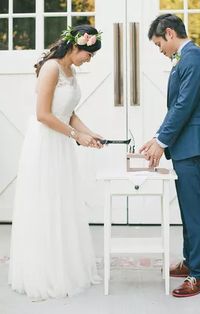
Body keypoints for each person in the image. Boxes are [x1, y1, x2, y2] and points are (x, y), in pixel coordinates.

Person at [8, 25, 103, 300]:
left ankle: (65, 268)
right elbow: (43, 115)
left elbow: (69, 112)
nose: (89, 59)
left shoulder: (70, 71)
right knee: (45, 204)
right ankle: (45, 273)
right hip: (44, 144)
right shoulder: (50, 68)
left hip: (60, 144)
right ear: (75, 47)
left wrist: (89, 132)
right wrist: (77, 136)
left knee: (62, 202)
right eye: (89, 53)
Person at [140, 14, 200, 297]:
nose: (159, 49)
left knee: (195, 210)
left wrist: (162, 141)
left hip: (194, 145)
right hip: (185, 145)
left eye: (159, 43)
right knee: (188, 208)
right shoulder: (185, 59)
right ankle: (190, 262)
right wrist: (157, 137)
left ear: (170, 34)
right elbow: (176, 107)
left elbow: (184, 106)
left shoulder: (194, 58)